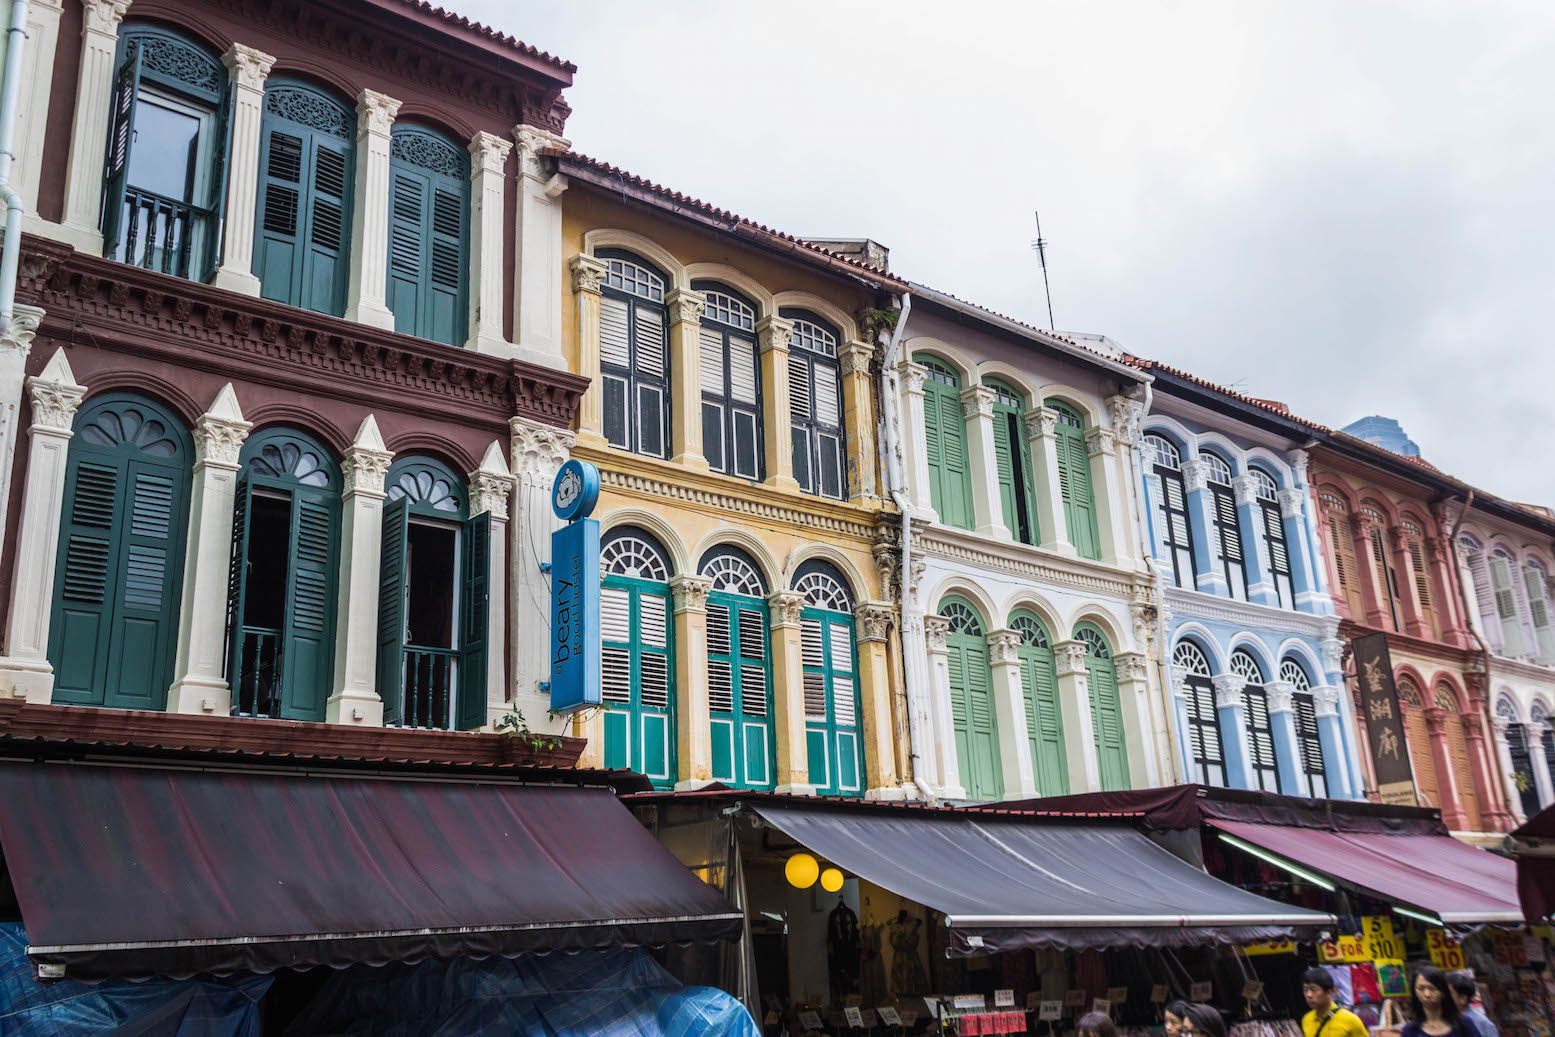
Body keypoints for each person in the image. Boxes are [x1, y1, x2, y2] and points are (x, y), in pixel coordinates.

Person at [1299, 966, 1368, 1037]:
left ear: (1330, 991)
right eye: (1305, 990)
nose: (1309, 995)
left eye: (1314, 989)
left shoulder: (1350, 1020)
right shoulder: (1307, 1019)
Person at [1403, 967, 1470, 1037]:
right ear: (1414, 992)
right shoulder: (1410, 1030)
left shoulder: (1463, 1024)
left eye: (1432, 988)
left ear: (1443, 992)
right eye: (1421, 989)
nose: (1427, 994)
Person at [1445, 971, 1497, 1037]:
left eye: (1448, 993)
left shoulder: (1482, 1023)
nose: (1443, 996)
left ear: (1463, 999)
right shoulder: (1441, 1019)